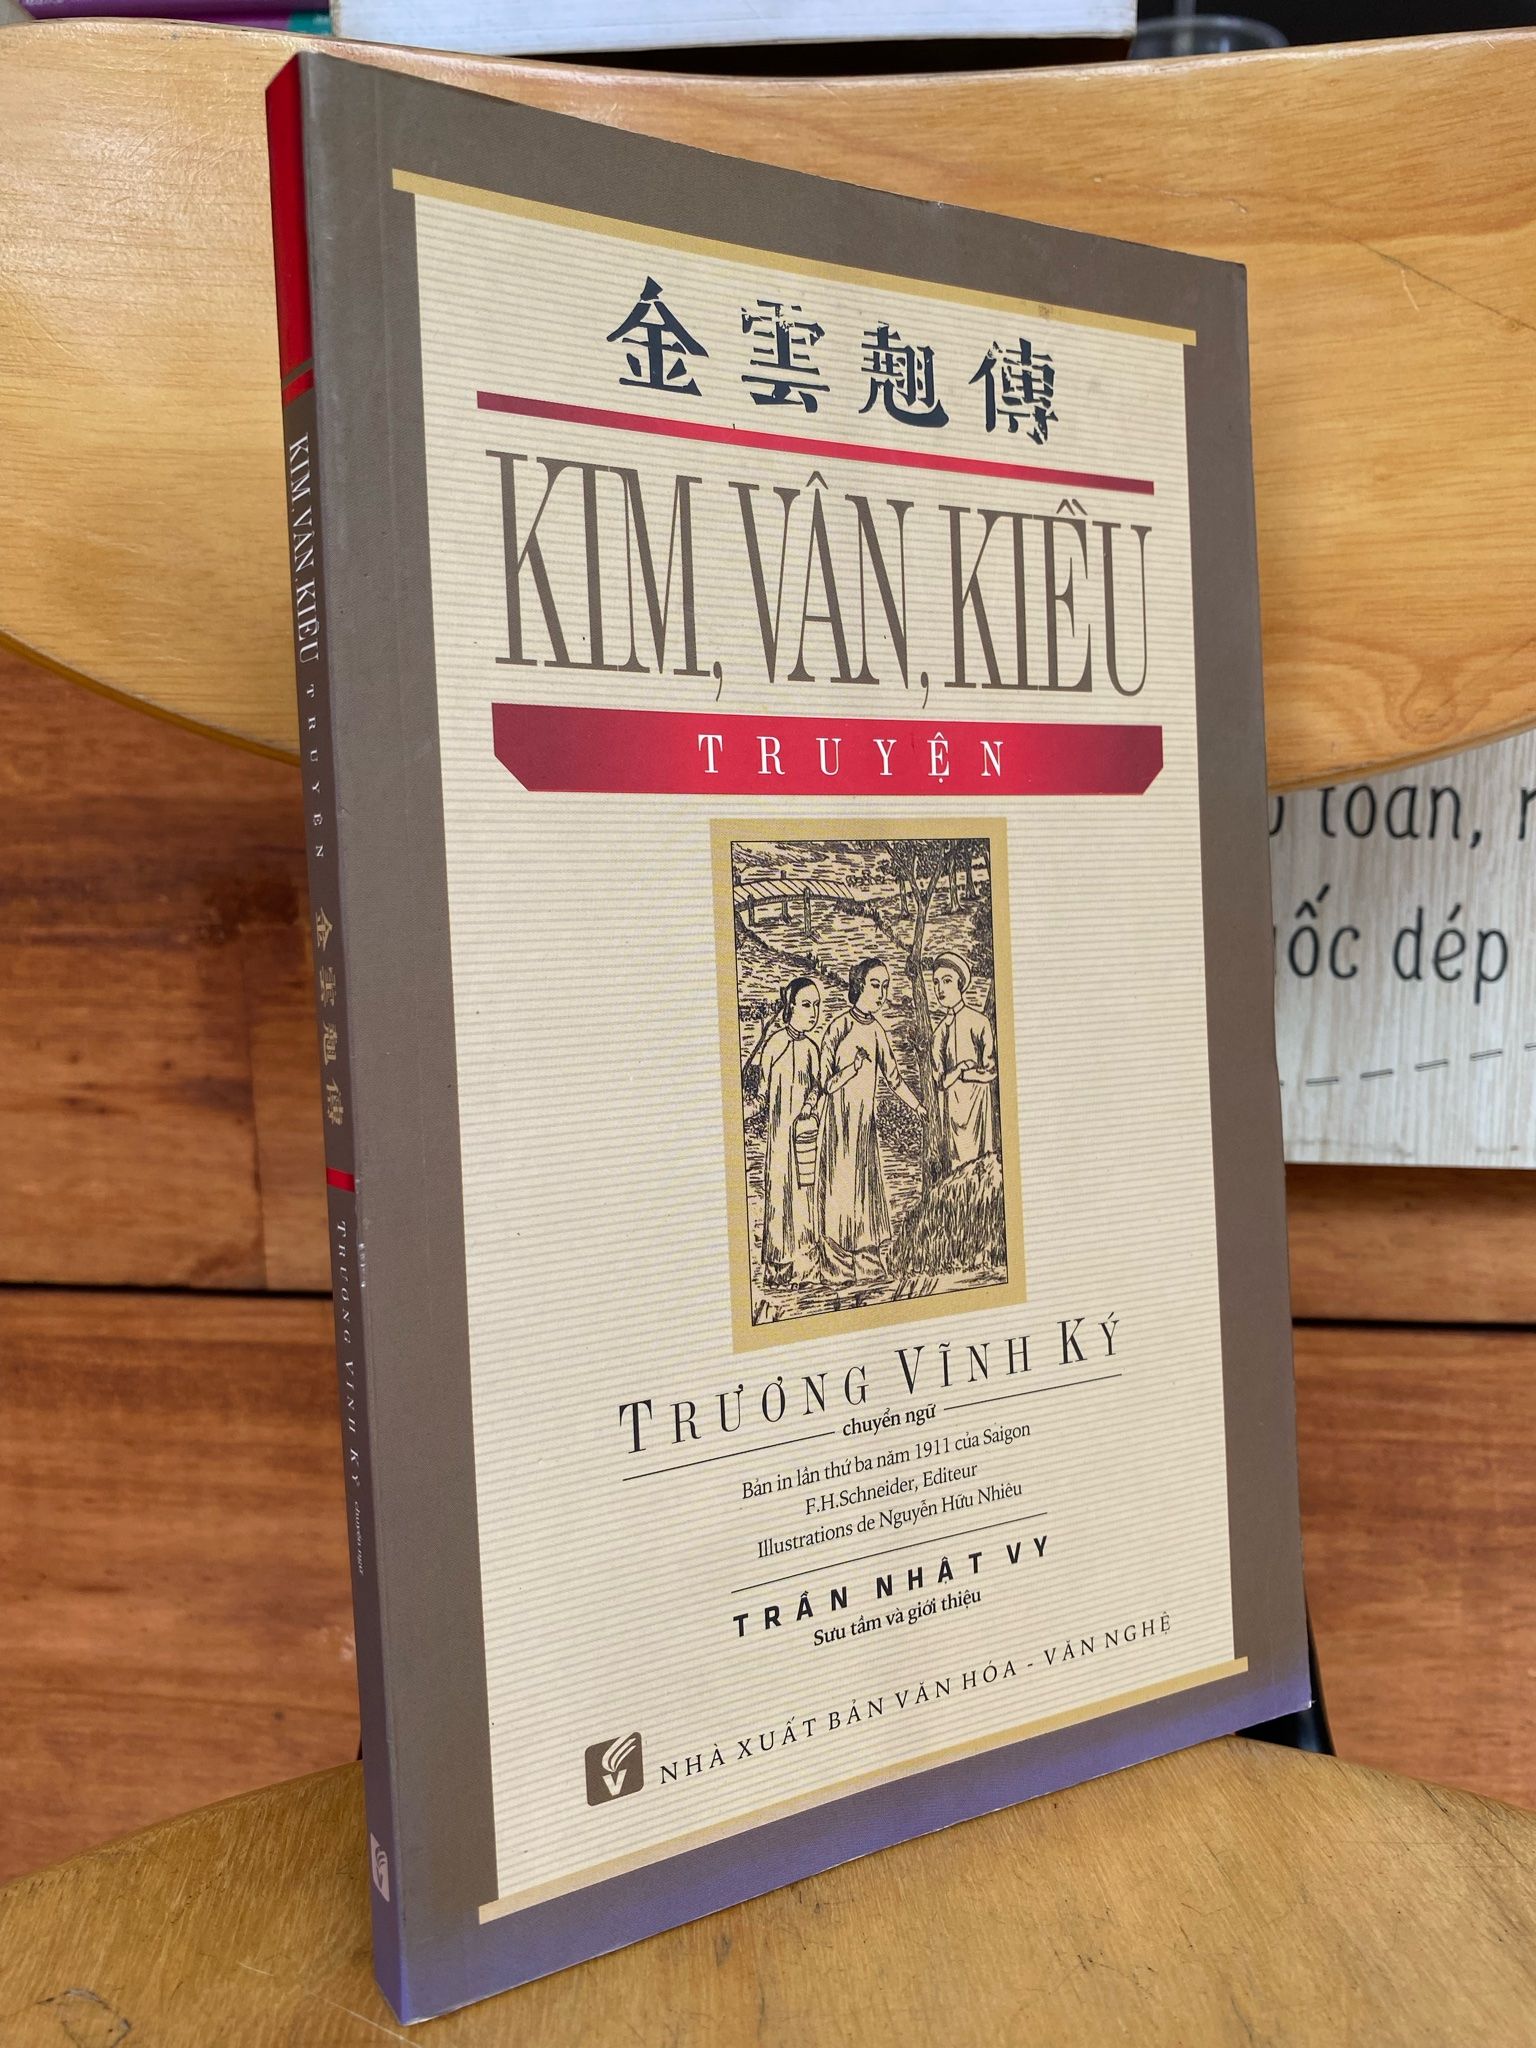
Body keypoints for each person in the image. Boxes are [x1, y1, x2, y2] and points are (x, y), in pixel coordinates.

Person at [816, 958, 926, 1283]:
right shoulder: (838, 1027)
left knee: (864, 1193)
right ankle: (836, 1266)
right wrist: (850, 1070)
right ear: (859, 986)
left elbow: (894, 1077)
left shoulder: (877, 1030)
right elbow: (824, 1080)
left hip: (864, 1127)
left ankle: (867, 1264)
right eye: (875, 985)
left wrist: (918, 1107)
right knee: (838, 1191)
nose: (881, 993)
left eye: (885, 986)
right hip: (838, 1125)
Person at [743, 978, 833, 1289]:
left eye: (817, 1005)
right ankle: (778, 1269)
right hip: (780, 1139)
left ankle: (805, 1269)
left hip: (804, 1139)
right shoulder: (774, 1044)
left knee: (805, 1200)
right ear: (790, 1006)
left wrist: (809, 1105)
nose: (813, 1012)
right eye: (806, 1005)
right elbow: (762, 1095)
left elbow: (818, 1088)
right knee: (779, 1200)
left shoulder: (812, 1049)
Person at [929, 952, 999, 1170]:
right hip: (952, 1111)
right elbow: (939, 1080)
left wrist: (967, 1075)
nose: (940, 988)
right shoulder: (939, 1032)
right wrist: (959, 1070)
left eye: (947, 981)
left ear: (960, 983)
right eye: (936, 982)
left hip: (978, 1108)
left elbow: (991, 1070)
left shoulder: (979, 1022)